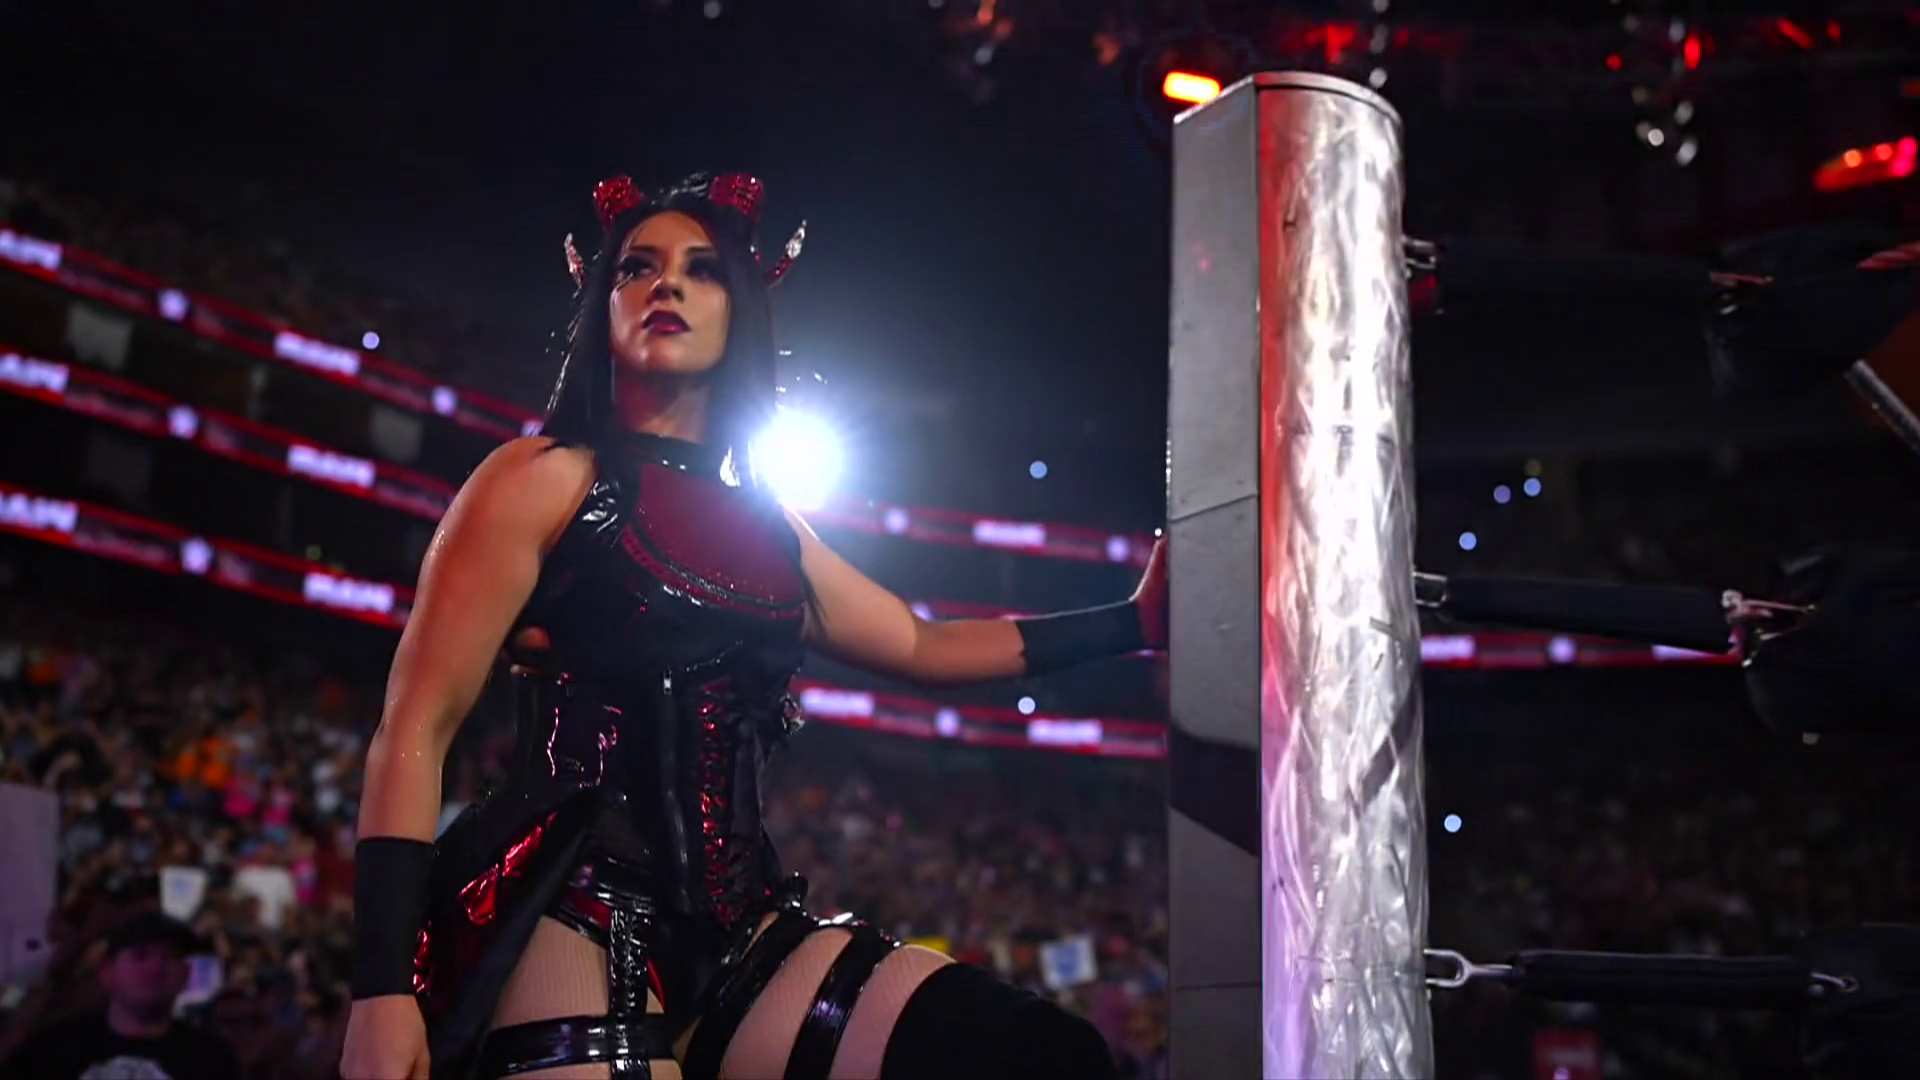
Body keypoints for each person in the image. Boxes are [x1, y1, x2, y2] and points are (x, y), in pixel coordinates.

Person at [340, 172, 1168, 1080]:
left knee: (1040, 1056)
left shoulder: (772, 528)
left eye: (702, 269)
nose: (667, 284)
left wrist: (1133, 621)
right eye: (637, 268)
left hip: (742, 933)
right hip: (568, 906)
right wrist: (380, 990)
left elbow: (923, 644)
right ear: (600, 305)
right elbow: (415, 725)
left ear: (741, 309)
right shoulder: (538, 480)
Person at [0, 909, 242, 1080]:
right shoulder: (54, 1049)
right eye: (140, 956)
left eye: (170, 956)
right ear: (108, 972)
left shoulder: (210, 1060)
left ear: (185, 975)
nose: (156, 967)